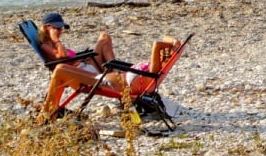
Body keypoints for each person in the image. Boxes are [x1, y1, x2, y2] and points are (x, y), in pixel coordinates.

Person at [36, 12, 180, 120]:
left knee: (104, 37)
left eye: (61, 28)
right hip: (84, 76)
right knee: (61, 68)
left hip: (92, 69)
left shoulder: (56, 42)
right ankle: (48, 112)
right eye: (57, 28)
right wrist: (55, 40)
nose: (60, 31)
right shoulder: (45, 45)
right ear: (46, 28)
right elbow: (62, 57)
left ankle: (115, 71)